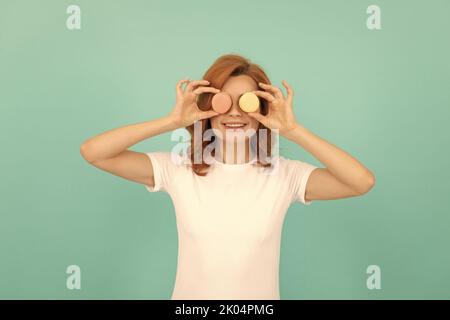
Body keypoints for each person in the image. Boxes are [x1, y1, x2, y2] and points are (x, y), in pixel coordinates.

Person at [80, 54, 375, 300]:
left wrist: (293, 130)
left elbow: (361, 181)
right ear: (208, 107)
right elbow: (94, 151)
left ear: (261, 109)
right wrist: (171, 121)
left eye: (246, 102)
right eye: (223, 101)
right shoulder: (178, 169)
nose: (234, 113)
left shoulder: (284, 174)